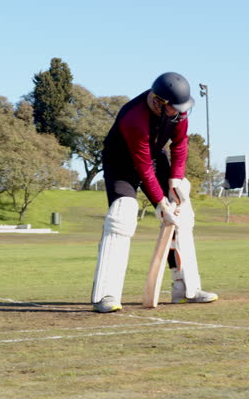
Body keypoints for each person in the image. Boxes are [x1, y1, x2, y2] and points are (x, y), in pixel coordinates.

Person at [91, 72, 218, 312]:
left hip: (155, 157)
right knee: (122, 215)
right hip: (121, 164)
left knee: (182, 210)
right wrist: (161, 203)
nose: (181, 113)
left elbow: (180, 145)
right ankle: (105, 295)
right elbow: (142, 167)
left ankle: (186, 289)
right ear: (158, 102)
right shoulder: (134, 118)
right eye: (175, 108)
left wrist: (174, 180)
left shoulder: (178, 114)